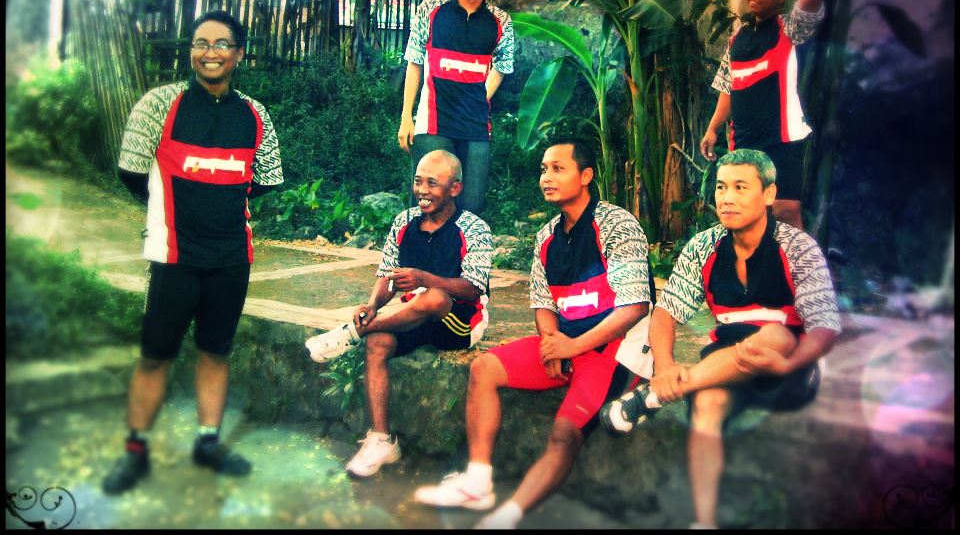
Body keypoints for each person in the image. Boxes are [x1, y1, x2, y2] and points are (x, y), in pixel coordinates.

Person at [414, 139, 654, 529]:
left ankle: (508, 517)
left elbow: (634, 307)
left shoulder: (616, 224)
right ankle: (477, 483)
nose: (546, 177)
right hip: (567, 341)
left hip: (616, 349)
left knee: (564, 434)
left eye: (558, 168)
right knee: (484, 368)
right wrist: (551, 342)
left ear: (586, 176)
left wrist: (570, 346)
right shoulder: (546, 237)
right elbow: (543, 303)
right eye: (544, 169)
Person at [600, 148, 841, 529]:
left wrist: (789, 365)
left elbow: (825, 325)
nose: (727, 198)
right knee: (708, 403)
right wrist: (665, 367)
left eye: (740, 187)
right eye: (721, 187)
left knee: (772, 335)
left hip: (790, 365)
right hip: (725, 363)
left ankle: (651, 398)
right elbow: (665, 312)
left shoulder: (796, 247)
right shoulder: (704, 246)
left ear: (768, 194)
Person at [103, 10, 284, 494]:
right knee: (154, 356)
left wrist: (217, 202)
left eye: (222, 44)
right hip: (173, 256)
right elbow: (131, 171)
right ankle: (134, 451)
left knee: (216, 351)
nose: (210, 52)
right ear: (191, 51)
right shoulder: (159, 105)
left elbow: (266, 179)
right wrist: (172, 209)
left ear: (238, 54)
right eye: (201, 43)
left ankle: (208, 442)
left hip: (231, 258)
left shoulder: (255, 115)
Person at [305, 149, 493, 478]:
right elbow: (387, 276)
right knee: (378, 342)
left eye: (432, 183)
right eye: (418, 181)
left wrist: (424, 279)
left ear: (455, 188)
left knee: (434, 297)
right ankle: (381, 440)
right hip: (413, 315)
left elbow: (474, 289)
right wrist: (372, 306)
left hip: (460, 322)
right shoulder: (404, 222)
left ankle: (352, 333)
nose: (422, 190)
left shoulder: (473, 228)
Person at [700, 0, 824, 229]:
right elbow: (728, 86)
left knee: (786, 214)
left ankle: (798, 260)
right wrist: (712, 129)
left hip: (781, 141)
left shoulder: (789, 29)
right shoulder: (737, 37)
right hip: (742, 142)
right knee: (747, 215)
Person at [397, 0, 515, 214]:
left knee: (471, 206)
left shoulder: (500, 21)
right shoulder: (430, 11)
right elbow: (414, 62)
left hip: (475, 127)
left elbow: (503, 65)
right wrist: (406, 117)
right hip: (432, 125)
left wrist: (481, 96)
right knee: (427, 204)